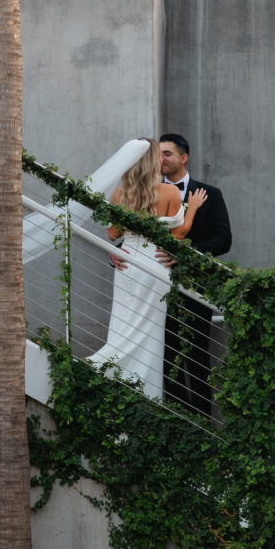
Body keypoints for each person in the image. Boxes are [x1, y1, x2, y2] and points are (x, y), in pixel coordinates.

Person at [88, 139, 207, 400]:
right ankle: (147, 395)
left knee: (123, 325)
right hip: (155, 265)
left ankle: (114, 381)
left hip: (128, 264)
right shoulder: (169, 193)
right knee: (151, 333)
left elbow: (112, 233)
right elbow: (178, 234)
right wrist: (193, 209)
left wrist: (123, 243)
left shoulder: (121, 193)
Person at [157, 133, 232, 417]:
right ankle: (176, 422)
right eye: (158, 154)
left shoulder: (209, 194)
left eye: (167, 154)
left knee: (198, 355)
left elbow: (223, 240)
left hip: (195, 289)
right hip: (154, 288)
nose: (161, 159)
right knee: (166, 357)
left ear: (183, 158)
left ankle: (202, 425)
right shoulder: (149, 191)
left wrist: (188, 254)